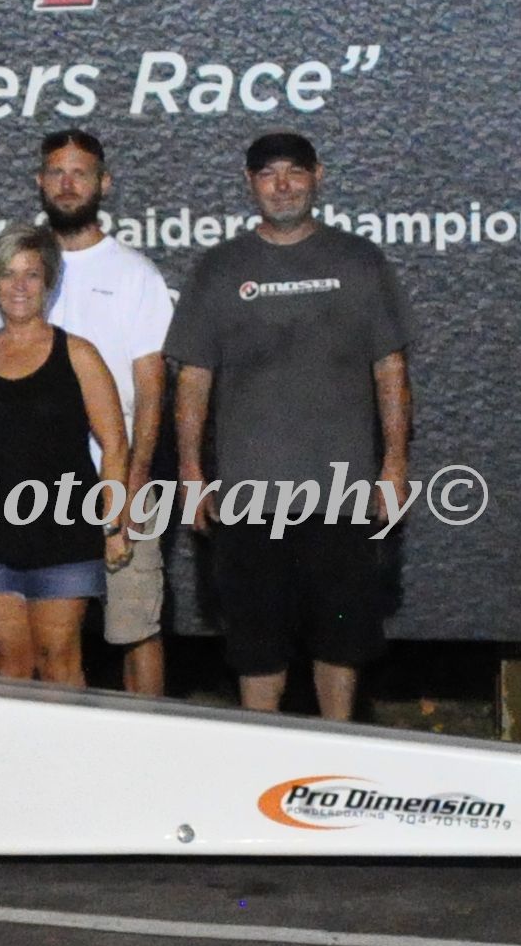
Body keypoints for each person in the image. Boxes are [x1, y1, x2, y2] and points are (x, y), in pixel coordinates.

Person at [167, 131, 414, 720]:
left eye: (294, 172)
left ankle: (337, 752)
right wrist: (191, 472)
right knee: (256, 649)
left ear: (318, 176)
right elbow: (194, 378)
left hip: (341, 497)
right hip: (249, 501)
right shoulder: (219, 268)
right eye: (268, 174)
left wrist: (394, 463)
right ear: (248, 182)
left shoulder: (360, 261)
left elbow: (390, 368)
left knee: (341, 643)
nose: (282, 186)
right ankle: (262, 758)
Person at [0, 129, 174, 695]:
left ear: (104, 183)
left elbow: (151, 388)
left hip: (115, 483)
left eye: (80, 172)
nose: (67, 183)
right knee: (32, 653)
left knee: (134, 630)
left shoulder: (134, 274)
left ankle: (144, 743)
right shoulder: (14, 276)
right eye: (56, 172)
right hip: (27, 499)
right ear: (40, 181)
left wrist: (133, 482)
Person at [0, 225, 131, 684]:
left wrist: (112, 524)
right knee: (8, 665)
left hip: (65, 537)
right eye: (8, 275)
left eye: (31, 274)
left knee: (58, 661)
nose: (19, 286)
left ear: (48, 281)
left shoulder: (79, 355)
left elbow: (114, 444)